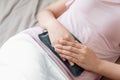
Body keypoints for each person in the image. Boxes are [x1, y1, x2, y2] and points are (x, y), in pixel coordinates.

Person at [0, 0, 120, 80]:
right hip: (35, 47)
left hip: (67, 75)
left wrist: (97, 64)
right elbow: (46, 12)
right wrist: (53, 26)